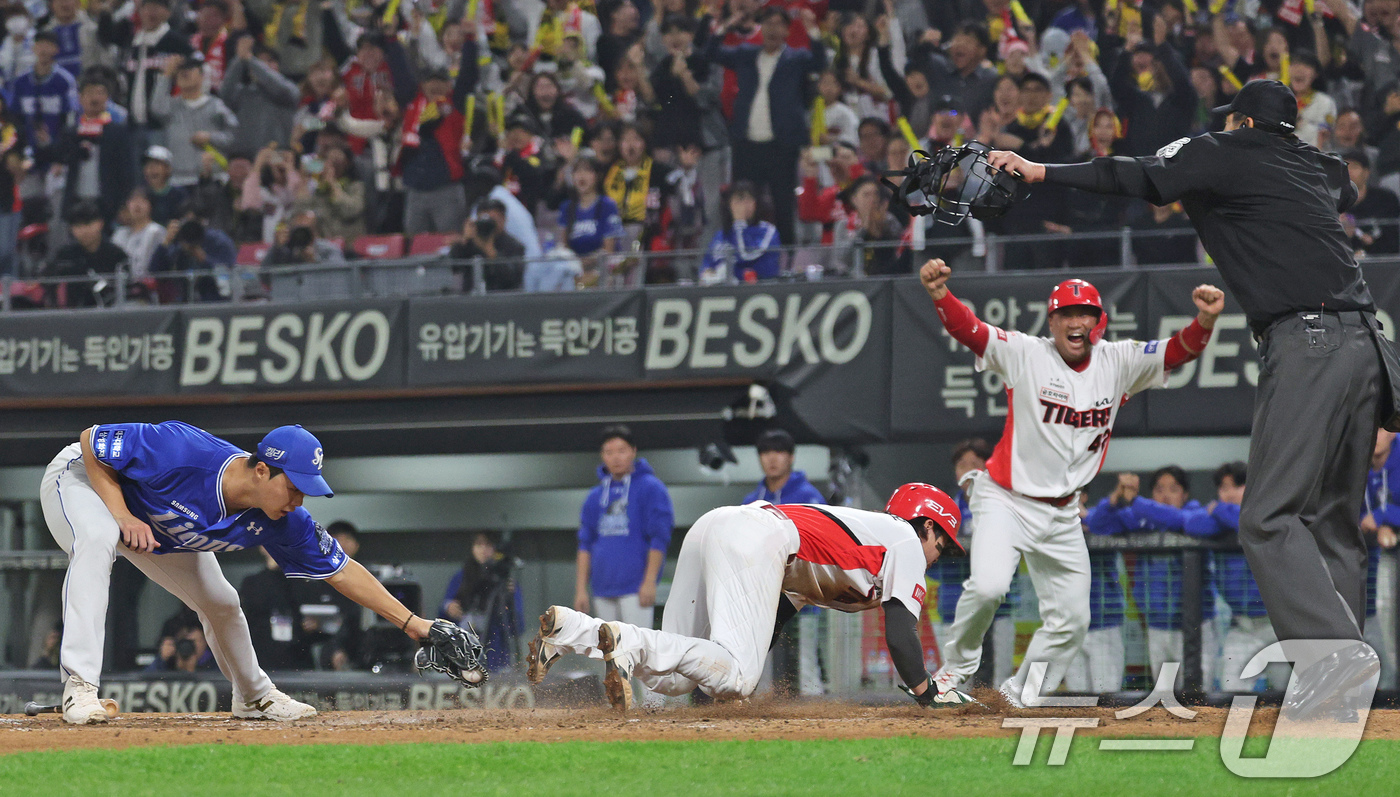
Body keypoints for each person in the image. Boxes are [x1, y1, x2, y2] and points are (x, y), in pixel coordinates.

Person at [988, 79, 1398, 715]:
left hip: (1308, 340)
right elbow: (1339, 177)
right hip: (1368, 344)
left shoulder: (1226, 149)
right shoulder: (1317, 167)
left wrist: (1039, 169)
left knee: (1267, 518)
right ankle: (1342, 683)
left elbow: (1135, 175)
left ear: (1240, 123)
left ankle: (1334, 661)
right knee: (1332, 522)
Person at [919, 259, 1223, 706]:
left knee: (1073, 620)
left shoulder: (1117, 361)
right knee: (988, 587)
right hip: (1006, 499)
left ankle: (1020, 695)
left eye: (1086, 313)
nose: (1076, 321)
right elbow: (973, 332)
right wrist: (940, 295)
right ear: (1053, 321)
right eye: (1066, 313)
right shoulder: (1026, 353)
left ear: (1099, 323)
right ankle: (954, 671)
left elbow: (1178, 351)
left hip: (1063, 513)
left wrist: (1207, 320)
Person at [38, 422, 447, 724]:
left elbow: (341, 571)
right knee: (98, 538)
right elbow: (93, 442)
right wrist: (122, 514)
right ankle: (79, 687)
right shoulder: (184, 451)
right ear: (262, 470)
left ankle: (253, 695)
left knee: (221, 601)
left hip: (156, 528)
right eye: (294, 487)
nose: (298, 499)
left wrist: (412, 623)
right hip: (83, 481)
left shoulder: (285, 519)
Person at [529, 483, 974, 710]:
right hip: (760, 537)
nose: (940, 555)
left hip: (723, 527)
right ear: (928, 525)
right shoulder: (906, 542)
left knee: (674, 680)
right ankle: (625, 641)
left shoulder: (871, 541)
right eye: (945, 544)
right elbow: (900, 631)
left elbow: (775, 614)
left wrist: (729, 669)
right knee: (739, 677)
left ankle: (575, 628)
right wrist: (926, 691)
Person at [1087, 467, 1221, 691]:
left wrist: (1136, 502)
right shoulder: (1142, 517)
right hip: (1157, 626)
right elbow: (1098, 524)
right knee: (1164, 699)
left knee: (1199, 697)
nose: (1166, 495)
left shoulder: (1194, 512)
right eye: (1159, 490)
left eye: (1173, 489)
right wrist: (1115, 498)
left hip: (1195, 628)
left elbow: (1179, 520)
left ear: (1185, 494)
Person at [705, 5, 825, 252]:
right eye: (767, 23)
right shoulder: (746, 53)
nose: (773, 28)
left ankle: (786, 260)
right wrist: (726, 25)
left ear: (787, 30)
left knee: (783, 204)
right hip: (746, 144)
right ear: (761, 28)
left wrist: (813, 30)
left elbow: (820, 62)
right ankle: (741, 253)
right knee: (744, 203)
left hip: (781, 145)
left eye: (778, 23)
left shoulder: (796, 58)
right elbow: (712, 53)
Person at [1199, 461, 1285, 692]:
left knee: (1287, 695)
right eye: (1224, 487)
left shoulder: (1271, 513)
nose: (1229, 493)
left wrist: (1218, 509)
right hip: (1242, 627)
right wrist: (1222, 515)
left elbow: (1252, 521)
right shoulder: (1219, 520)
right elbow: (1193, 523)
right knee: (1230, 692)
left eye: (1237, 486)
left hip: (1278, 625)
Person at [42, 73, 135, 224]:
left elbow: (127, 170)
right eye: (90, 93)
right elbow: (57, 157)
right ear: (80, 98)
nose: (95, 98)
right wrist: (46, 143)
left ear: (107, 98)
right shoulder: (70, 132)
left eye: (100, 93)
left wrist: (125, 203)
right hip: (76, 201)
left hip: (107, 203)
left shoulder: (118, 132)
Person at [150, 55, 239, 189]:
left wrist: (211, 137)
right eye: (180, 71)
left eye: (191, 69)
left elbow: (234, 137)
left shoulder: (216, 106)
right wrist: (167, 74)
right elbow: (156, 107)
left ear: (202, 76)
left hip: (213, 179)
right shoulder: (171, 107)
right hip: (178, 180)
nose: (184, 72)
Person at [439, 532, 523, 672]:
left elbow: (518, 627)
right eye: (478, 545)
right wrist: (449, 607)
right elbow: (442, 619)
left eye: (488, 545)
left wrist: (510, 598)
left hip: (497, 657)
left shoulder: (506, 582)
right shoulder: (461, 578)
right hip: (464, 655)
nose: (483, 550)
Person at [399, 69, 468, 236]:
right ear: (422, 85)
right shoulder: (412, 105)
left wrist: (470, 43)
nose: (435, 85)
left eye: (440, 81)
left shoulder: (456, 104)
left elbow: (469, 75)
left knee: (450, 241)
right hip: (415, 189)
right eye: (431, 81)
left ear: (449, 85)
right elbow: (400, 71)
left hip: (446, 188)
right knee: (414, 243)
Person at [238, 548, 315, 671]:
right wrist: (273, 570)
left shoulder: (303, 581)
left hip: (297, 657)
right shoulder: (252, 582)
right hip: (262, 656)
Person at [47, 200, 127, 308]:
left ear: (100, 223)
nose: (84, 230)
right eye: (78, 226)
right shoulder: (65, 255)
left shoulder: (117, 255)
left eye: (88, 224)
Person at [699, 181, 780, 283]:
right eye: (739, 200)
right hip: (719, 290)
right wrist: (706, 272)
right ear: (730, 205)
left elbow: (759, 265)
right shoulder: (721, 235)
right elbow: (708, 262)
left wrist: (740, 223)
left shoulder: (768, 232)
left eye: (748, 200)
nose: (743, 205)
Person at [449, 204, 527, 293]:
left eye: (492, 220)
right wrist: (464, 241)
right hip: (471, 299)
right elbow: (453, 267)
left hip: (504, 299)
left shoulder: (514, 246)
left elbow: (512, 278)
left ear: (503, 220)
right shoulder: (470, 243)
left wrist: (490, 250)